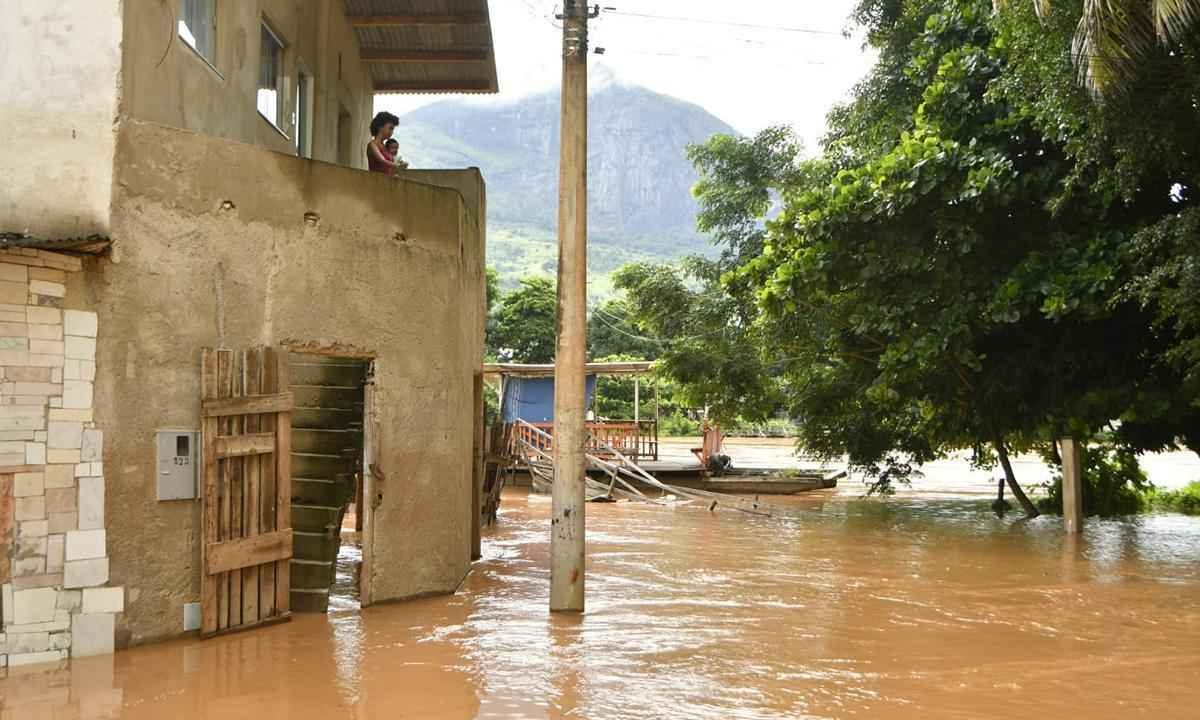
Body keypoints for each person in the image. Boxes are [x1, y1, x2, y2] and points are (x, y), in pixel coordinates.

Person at [366, 111, 408, 176]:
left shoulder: (385, 147)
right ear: (380, 126)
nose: (392, 132)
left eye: (393, 129)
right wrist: (398, 166)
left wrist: (401, 163)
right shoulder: (372, 145)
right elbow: (382, 161)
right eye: (390, 128)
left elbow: (393, 161)